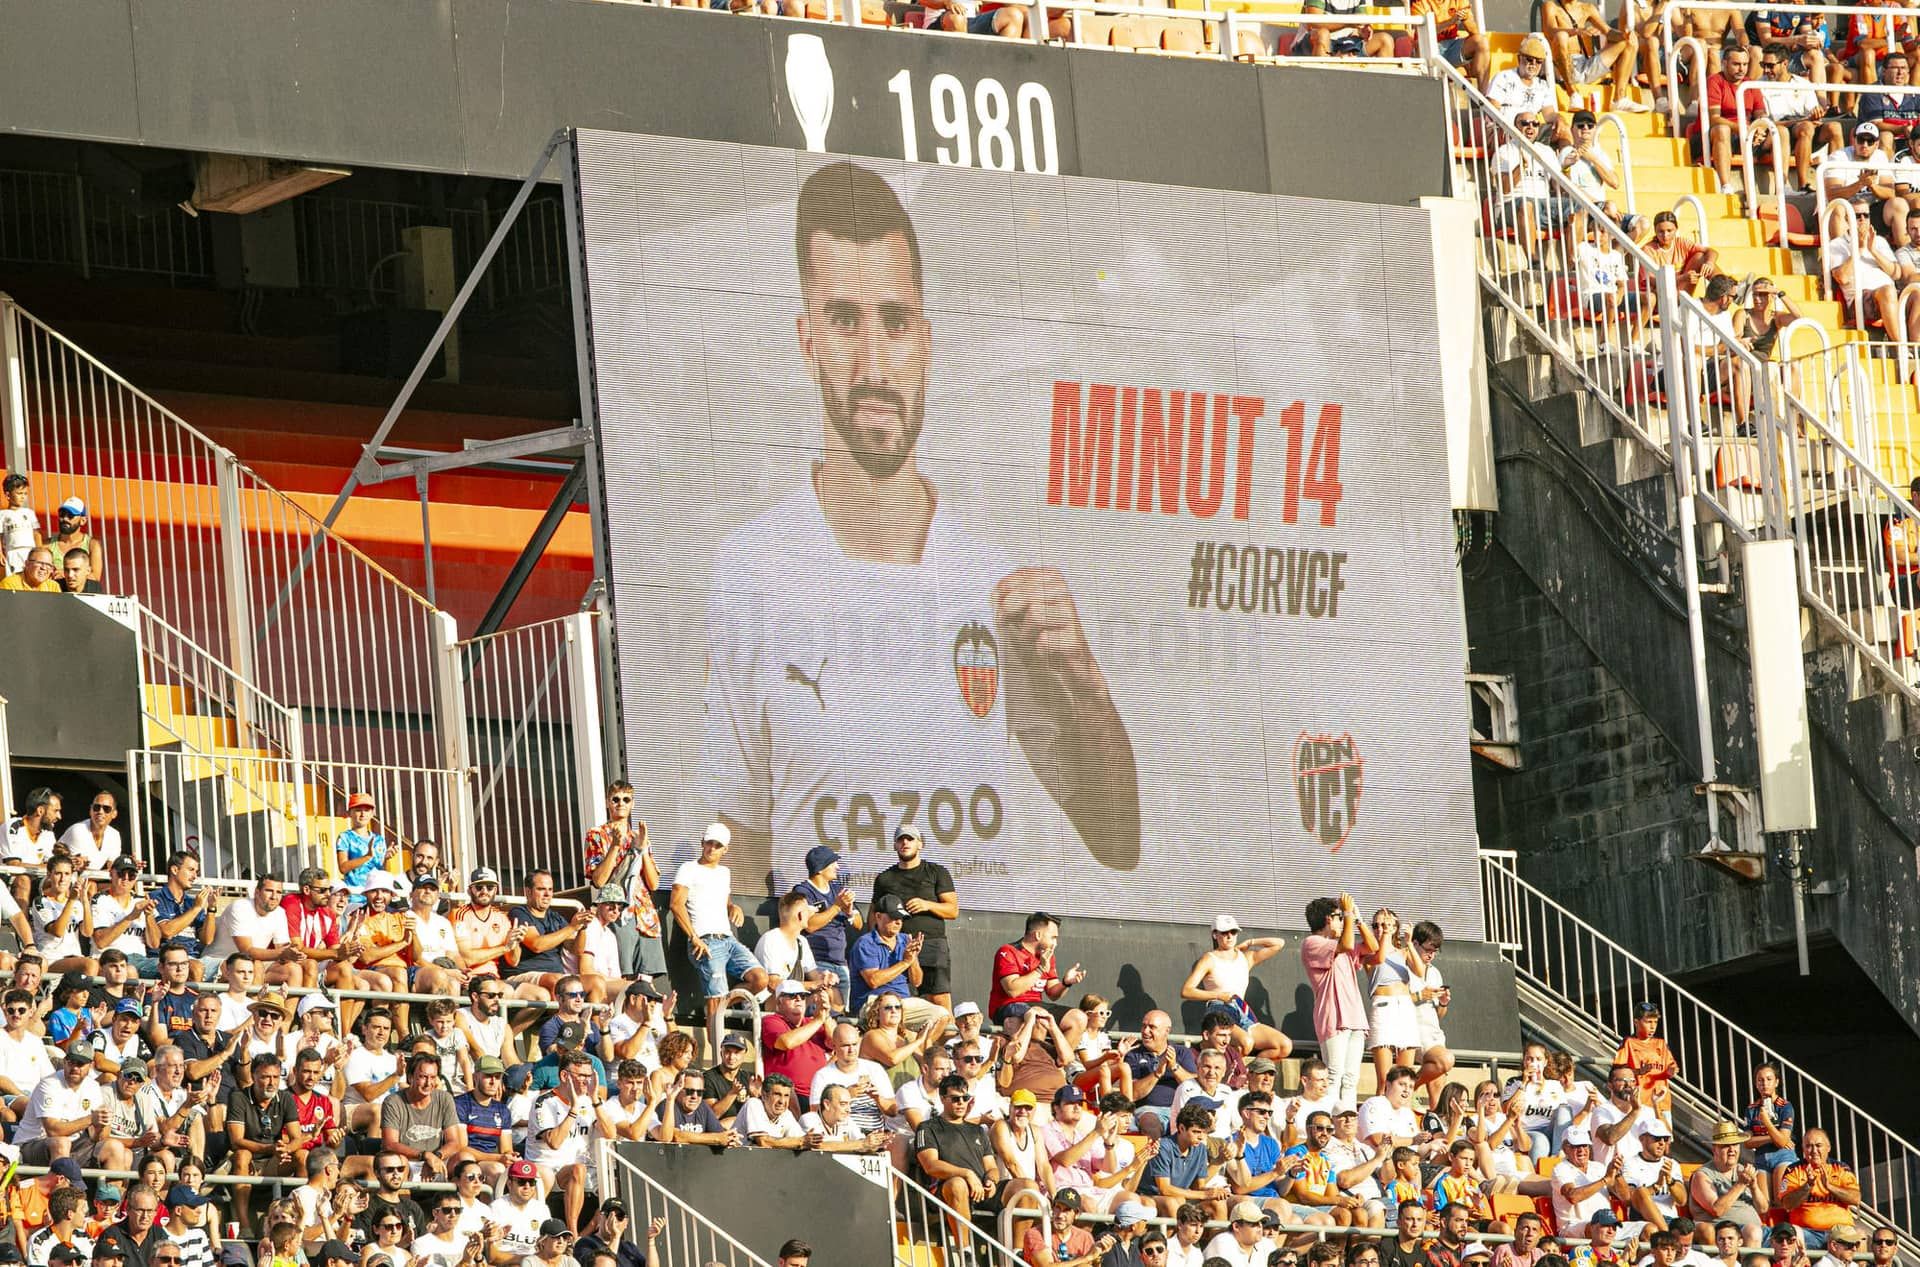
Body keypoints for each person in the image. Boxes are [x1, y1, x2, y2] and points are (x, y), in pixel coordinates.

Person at [701, 161, 1141, 892]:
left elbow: (1118, 839)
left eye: (895, 322)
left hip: (966, 986)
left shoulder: (992, 580)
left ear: (926, 342)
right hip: (835, 983)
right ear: (809, 341)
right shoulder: (750, 569)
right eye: (845, 319)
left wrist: (1089, 686)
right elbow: (743, 842)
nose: (874, 363)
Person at [670, 824, 768, 1031]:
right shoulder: (688, 868)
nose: (711, 848)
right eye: (708, 843)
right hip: (705, 941)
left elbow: (723, 896)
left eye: (717, 845)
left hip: (728, 939)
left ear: (725, 849)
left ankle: (719, 1003)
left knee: (760, 979)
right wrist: (694, 938)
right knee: (715, 1004)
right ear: (702, 843)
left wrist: (733, 906)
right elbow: (676, 904)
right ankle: (715, 1056)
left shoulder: (724, 872)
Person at [913, 1073, 1005, 1255]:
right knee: (958, 1184)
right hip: (945, 1191)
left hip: (981, 1189)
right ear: (942, 1099)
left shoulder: (977, 1130)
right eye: (955, 1099)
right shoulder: (928, 1128)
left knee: (1025, 1186)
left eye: (965, 1098)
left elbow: (992, 1167)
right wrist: (967, 1174)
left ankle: (1018, 1252)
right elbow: (930, 1165)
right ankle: (966, 1253)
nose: (961, 1103)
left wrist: (991, 1181)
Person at [869, 825, 960, 1010]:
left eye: (910, 839)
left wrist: (927, 904)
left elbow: (953, 910)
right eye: (901, 839)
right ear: (894, 845)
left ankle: (945, 1039)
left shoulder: (936, 872)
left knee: (938, 1001)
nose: (905, 843)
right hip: (896, 946)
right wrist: (876, 942)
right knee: (899, 1000)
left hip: (931, 943)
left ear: (920, 844)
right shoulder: (885, 878)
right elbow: (873, 914)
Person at [582, 781, 667, 979]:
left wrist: (642, 848)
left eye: (626, 799)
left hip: (645, 914)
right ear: (607, 803)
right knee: (622, 977)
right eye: (616, 799)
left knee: (647, 980)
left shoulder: (640, 835)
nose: (621, 804)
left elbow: (653, 883)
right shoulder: (597, 834)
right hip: (617, 911)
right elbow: (599, 881)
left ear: (632, 804)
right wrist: (615, 846)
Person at [1300, 894, 1375, 1111]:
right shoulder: (1312, 943)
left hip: (1355, 1017)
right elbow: (1349, 943)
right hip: (1333, 1016)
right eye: (1338, 916)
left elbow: (1372, 948)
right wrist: (1349, 913)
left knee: (1351, 1077)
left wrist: (1358, 919)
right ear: (1327, 919)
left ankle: (1347, 1121)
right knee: (1333, 1073)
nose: (1343, 921)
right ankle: (1328, 1120)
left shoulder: (1342, 943)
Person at [16, 1038, 108, 1165]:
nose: (75, 1068)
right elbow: (53, 1131)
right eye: (71, 1062)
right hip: (32, 1143)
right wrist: (91, 1119)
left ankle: (112, 1186)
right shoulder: (49, 1085)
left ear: (90, 1065)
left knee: (114, 1148)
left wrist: (100, 1128)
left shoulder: (93, 1087)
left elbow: (98, 1137)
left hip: (73, 1144)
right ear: (64, 1061)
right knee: (61, 1142)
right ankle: (61, 1184)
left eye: (80, 1063)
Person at [791, 846, 860, 1007]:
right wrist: (836, 907)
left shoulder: (838, 890)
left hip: (841, 963)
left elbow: (859, 924)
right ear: (820, 868)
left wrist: (849, 911)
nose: (838, 867)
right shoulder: (803, 891)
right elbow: (810, 925)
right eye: (833, 863)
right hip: (817, 963)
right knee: (822, 1005)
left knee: (840, 1010)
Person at [989, 911, 1085, 1025]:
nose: (1056, 943)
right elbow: (1013, 990)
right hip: (1007, 1005)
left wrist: (1066, 983)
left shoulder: (1048, 956)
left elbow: (1053, 994)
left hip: (1036, 1005)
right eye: (1053, 938)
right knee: (1040, 1018)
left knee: (1079, 1019)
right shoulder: (1008, 951)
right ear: (1038, 935)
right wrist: (1040, 969)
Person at [1774, 1128, 1861, 1247]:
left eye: (1818, 1145)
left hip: (1840, 1231)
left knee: (1860, 1235)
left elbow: (1855, 1199)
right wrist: (1807, 1185)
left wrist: (1830, 1187)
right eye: (1809, 1146)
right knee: (1792, 1237)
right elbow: (1787, 1204)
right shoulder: (1793, 1170)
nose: (1814, 1151)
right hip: (1807, 1233)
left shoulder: (1841, 1168)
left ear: (1828, 1147)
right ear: (1803, 1149)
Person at [1123, 1010, 1197, 1135]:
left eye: (1152, 1027)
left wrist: (1173, 1066)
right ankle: (1155, 1154)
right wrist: (1158, 1073)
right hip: (1149, 1111)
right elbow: (1133, 1094)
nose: (1145, 1031)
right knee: (1149, 1121)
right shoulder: (1133, 1055)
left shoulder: (1181, 1052)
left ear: (1166, 1031)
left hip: (1182, 1110)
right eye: (1144, 1026)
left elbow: (1194, 1086)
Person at [1489, 35, 1564, 141]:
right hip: (1506, 129)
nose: (1533, 64)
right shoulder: (1504, 77)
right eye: (1529, 59)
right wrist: (1516, 124)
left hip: (1532, 130)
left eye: (1538, 61)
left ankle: (1569, 156)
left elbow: (1549, 114)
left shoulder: (1542, 86)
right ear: (1519, 58)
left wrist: (1559, 118)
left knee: (1563, 130)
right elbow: (1492, 109)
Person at [1614, 1004, 1678, 1123]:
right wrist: (1639, 1072)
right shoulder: (1628, 1043)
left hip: (1662, 1103)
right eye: (1648, 1022)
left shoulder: (1661, 1043)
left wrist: (1672, 1071)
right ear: (1636, 1022)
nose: (1653, 1026)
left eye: (1655, 1022)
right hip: (1640, 1104)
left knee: (1664, 1140)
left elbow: (1671, 1067)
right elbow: (1617, 1072)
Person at [1551, 1127, 1618, 1240]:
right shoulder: (1560, 1169)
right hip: (1573, 1226)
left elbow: (1626, 1198)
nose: (1582, 1150)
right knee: (1598, 1228)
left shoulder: (1599, 1167)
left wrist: (1617, 1171)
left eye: (1585, 1145)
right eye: (1576, 1146)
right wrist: (1605, 1180)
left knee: (1649, 1229)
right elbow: (1573, 1197)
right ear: (1565, 1148)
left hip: (1607, 1224)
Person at [0, 474, 41, 576]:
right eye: (19, 493)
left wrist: (40, 551)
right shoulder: (2, 515)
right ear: (8, 495)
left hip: (30, 551)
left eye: (25, 493)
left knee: (32, 576)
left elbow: (36, 534)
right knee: (16, 579)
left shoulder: (29, 513)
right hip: (12, 553)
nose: (23, 497)